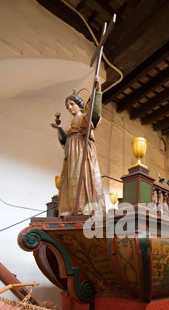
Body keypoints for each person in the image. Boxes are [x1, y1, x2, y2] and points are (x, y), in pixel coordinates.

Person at [50, 76, 105, 216]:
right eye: (67, 106)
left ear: (79, 105)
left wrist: (98, 92)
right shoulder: (72, 124)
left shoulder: (84, 118)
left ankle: (82, 207)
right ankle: (71, 208)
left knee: (80, 177)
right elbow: (65, 140)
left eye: (71, 104)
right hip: (72, 154)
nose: (69, 108)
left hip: (81, 152)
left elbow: (96, 115)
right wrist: (59, 129)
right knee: (70, 180)